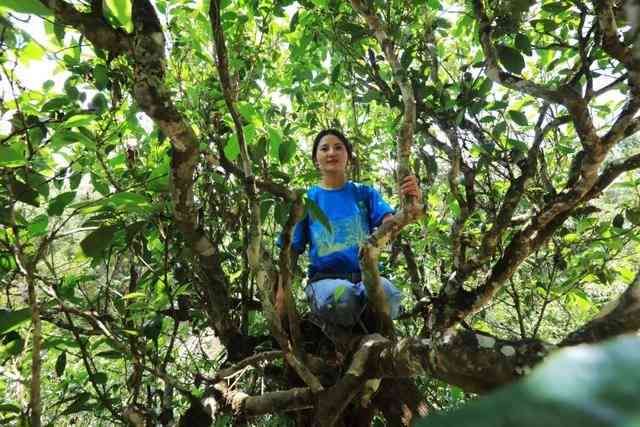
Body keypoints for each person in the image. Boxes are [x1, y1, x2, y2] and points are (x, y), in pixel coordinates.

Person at [285, 129, 422, 329]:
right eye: (324, 148)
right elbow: (291, 249)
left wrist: (410, 202)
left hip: (365, 278)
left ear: (348, 157)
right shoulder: (307, 201)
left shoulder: (364, 193)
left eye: (338, 147)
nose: (331, 152)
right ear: (316, 159)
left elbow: (390, 223)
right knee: (343, 299)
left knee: (389, 297)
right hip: (324, 282)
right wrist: (282, 293)